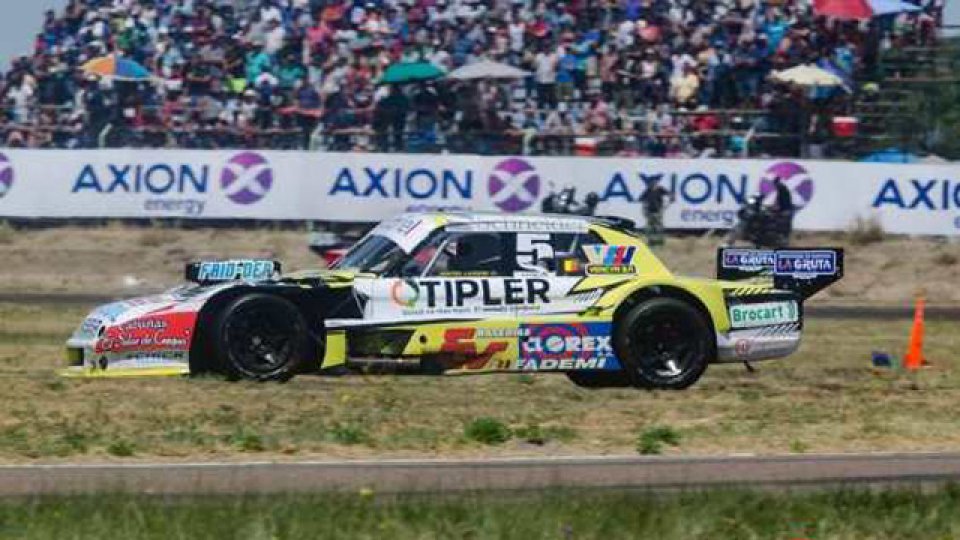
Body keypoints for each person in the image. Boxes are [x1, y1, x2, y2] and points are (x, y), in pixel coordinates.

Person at [640, 177, 671, 247]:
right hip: (650, 212)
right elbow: (642, 199)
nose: (653, 184)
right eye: (652, 183)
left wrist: (666, 204)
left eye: (655, 183)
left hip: (658, 211)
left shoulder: (660, 190)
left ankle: (660, 241)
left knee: (659, 227)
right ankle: (651, 241)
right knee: (650, 228)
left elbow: (669, 194)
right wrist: (645, 209)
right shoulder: (648, 191)